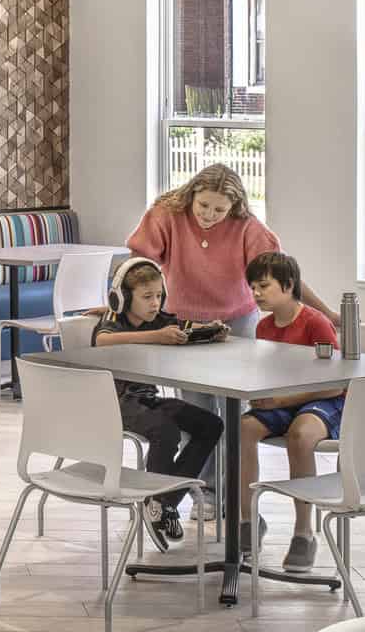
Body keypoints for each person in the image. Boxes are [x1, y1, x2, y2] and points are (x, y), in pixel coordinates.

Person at [92, 257, 225, 543]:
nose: (155, 303)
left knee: (211, 425)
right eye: (147, 297)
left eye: (159, 296)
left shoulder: (160, 319)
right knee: (166, 431)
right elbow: (102, 340)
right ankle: (158, 504)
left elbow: (185, 325)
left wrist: (210, 329)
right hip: (115, 403)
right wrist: (157, 336)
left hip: (147, 400)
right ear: (123, 298)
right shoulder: (114, 320)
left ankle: (162, 504)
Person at [125, 164, 333, 335]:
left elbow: (285, 277)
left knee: (237, 383)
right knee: (191, 384)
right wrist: (123, 308)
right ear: (191, 194)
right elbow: (138, 267)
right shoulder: (166, 214)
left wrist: (327, 314)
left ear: (233, 206)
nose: (208, 215)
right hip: (179, 318)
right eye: (203, 205)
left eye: (219, 210)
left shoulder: (247, 227)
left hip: (236, 321)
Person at [236, 250, 343, 572]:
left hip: (324, 398)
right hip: (285, 399)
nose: (256, 294)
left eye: (264, 286)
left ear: (289, 285)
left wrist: (281, 401)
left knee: (300, 435)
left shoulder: (316, 324)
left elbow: (336, 384)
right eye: (252, 287)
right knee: (242, 429)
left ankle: (304, 532)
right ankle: (248, 521)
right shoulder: (264, 327)